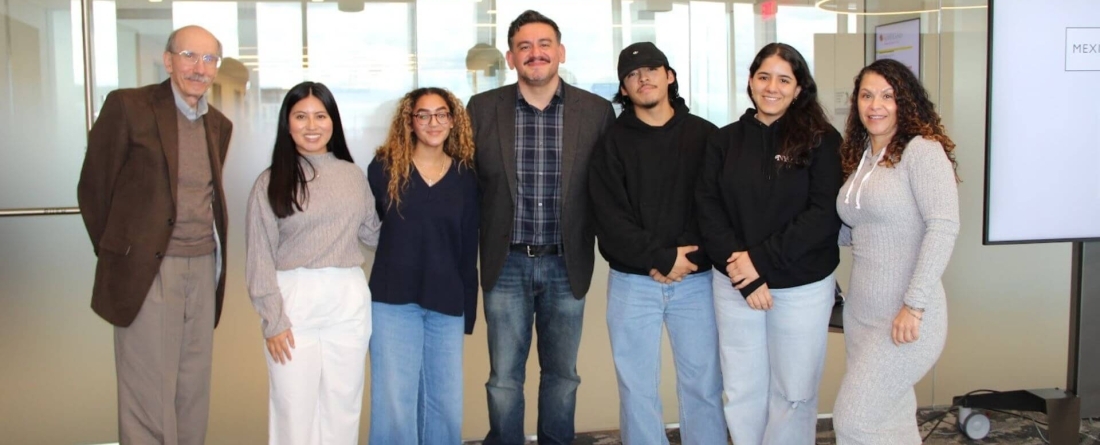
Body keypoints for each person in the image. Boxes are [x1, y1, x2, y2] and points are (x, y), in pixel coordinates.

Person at [466, 9, 616, 445]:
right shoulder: (482, 109)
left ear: (560, 52)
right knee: (504, 379)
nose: (535, 54)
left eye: (544, 44)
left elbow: (612, 186)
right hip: (505, 264)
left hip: (566, 265)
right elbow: (464, 185)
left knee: (563, 376)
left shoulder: (596, 111)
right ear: (511, 58)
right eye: (524, 46)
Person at [76, 25, 232, 445]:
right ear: (168, 60)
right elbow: (94, 189)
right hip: (147, 270)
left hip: (202, 267)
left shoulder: (219, 125)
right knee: (145, 395)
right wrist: (122, 254)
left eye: (209, 59)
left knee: (192, 388)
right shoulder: (129, 107)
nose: (199, 68)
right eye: (189, 56)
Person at [695, 42, 843, 445]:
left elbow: (823, 215)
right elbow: (708, 211)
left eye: (784, 79)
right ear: (750, 81)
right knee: (742, 388)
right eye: (764, 76)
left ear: (798, 89)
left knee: (793, 392)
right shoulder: (723, 141)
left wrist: (757, 264)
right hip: (734, 286)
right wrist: (742, 274)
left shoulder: (821, 140)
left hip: (801, 286)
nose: (772, 87)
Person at [588, 41, 726, 445]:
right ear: (624, 90)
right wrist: (661, 257)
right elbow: (609, 218)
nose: (643, 78)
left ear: (670, 76)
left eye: (651, 69)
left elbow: (716, 209)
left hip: (696, 282)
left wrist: (683, 259)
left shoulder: (706, 136)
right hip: (634, 284)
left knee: (703, 385)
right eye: (632, 75)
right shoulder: (611, 143)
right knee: (637, 390)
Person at [831, 58, 959, 445]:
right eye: (867, 96)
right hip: (863, 316)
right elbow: (859, 230)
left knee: (853, 421)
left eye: (888, 96)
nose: (875, 105)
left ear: (906, 102)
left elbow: (944, 226)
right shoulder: (864, 158)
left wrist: (915, 304)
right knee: (892, 422)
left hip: (908, 317)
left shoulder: (922, 151)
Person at [245, 81, 381, 445]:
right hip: (294, 302)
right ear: (286, 124)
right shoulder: (270, 182)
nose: (311, 125)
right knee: (293, 406)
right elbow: (259, 257)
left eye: (320, 116)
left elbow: (373, 234)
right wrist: (272, 320)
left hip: (347, 298)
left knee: (343, 403)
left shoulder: (353, 175)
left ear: (333, 122)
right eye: (301, 116)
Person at [365, 87, 478, 445]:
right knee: (394, 404)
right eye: (423, 115)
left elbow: (468, 245)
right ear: (410, 122)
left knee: (445, 405)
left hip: (446, 303)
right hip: (392, 302)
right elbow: (373, 228)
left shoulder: (466, 176)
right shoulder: (383, 169)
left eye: (441, 114)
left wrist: (468, 309)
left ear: (452, 120)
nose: (433, 122)